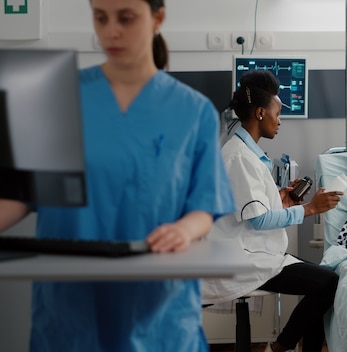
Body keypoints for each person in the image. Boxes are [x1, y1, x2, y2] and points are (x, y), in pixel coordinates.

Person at [0, 0, 235, 351]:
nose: (111, 30)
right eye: (100, 17)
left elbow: (204, 206)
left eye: (126, 18)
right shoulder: (57, 98)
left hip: (158, 308)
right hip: (71, 307)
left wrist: (182, 230)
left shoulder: (193, 111)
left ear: (158, 18)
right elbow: (21, 195)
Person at [202, 70, 341, 352]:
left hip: (257, 252)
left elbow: (251, 207)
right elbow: (258, 220)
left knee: (323, 282)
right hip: (243, 257)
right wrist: (311, 209)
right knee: (328, 283)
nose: (280, 121)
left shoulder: (246, 152)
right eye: (278, 113)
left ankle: (284, 347)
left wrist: (281, 199)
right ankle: (279, 348)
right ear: (261, 113)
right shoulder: (239, 157)